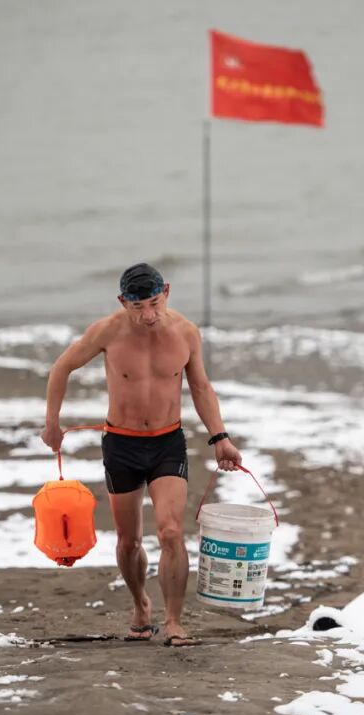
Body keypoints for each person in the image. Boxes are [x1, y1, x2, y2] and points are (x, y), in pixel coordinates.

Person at [40, 263, 241, 647]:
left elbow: (201, 387)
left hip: (167, 443)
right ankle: (140, 605)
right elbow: (61, 369)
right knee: (128, 541)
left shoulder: (186, 333)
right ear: (123, 302)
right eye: (138, 307)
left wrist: (220, 437)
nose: (148, 315)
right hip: (121, 445)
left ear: (166, 292)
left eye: (154, 303)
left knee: (170, 531)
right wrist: (52, 423)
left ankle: (174, 622)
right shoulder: (107, 332)